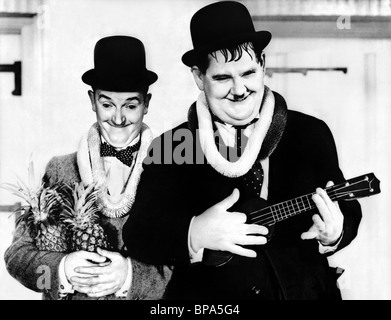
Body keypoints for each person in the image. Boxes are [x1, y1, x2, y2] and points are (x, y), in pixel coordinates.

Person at [123, 1, 362, 300]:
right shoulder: (171, 146)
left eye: (248, 73)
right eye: (223, 78)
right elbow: (139, 235)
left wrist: (336, 231)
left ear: (262, 63)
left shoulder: (311, 134)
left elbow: (347, 205)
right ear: (199, 77)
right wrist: (194, 233)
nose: (239, 90)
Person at [4, 35, 171, 300]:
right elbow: (16, 257)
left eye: (130, 105)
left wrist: (131, 277)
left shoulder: (172, 170)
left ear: (146, 103)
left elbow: (192, 267)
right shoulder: (59, 169)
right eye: (107, 105)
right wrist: (61, 270)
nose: (118, 118)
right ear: (92, 101)